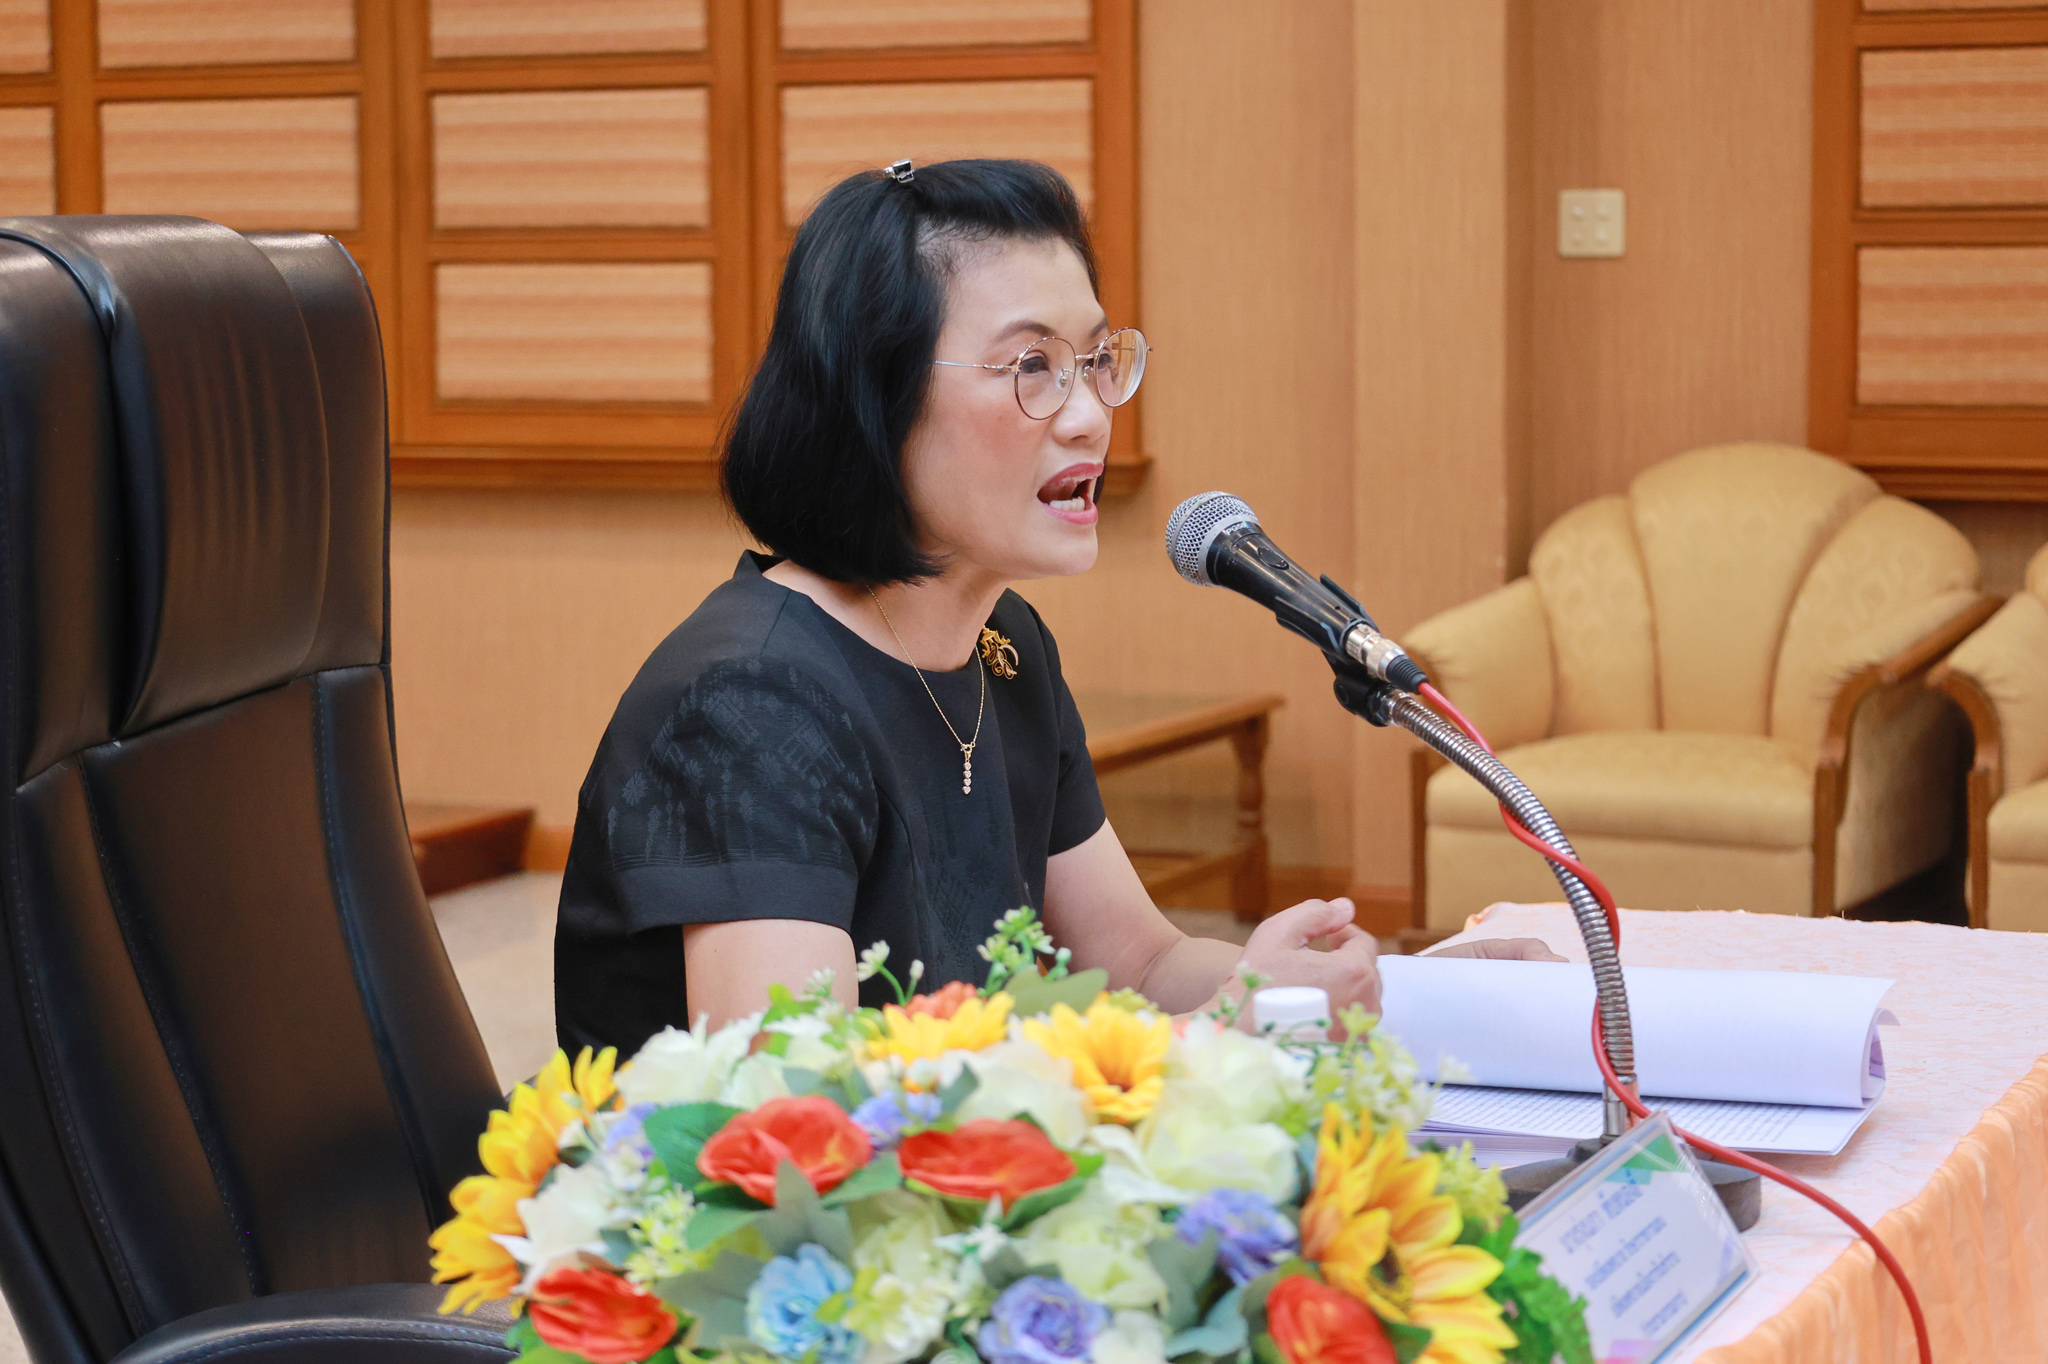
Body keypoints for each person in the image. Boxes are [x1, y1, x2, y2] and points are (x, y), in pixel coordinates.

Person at [554, 159, 1557, 1056]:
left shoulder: (1002, 644)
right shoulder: (749, 703)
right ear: (874, 397)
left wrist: (1377, 988)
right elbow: (793, 1105)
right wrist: (1216, 1035)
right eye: (1031, 366)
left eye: (1093, 361)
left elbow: (1143, 965)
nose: (1088, 417)